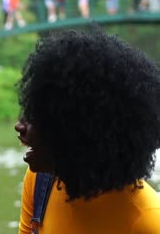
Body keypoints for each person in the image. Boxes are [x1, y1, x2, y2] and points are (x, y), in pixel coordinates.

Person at [15, 27, 160, 234]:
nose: (20, 126)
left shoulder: (148, 224)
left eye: (41, 118)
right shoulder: (40, 182)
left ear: (81, 134)